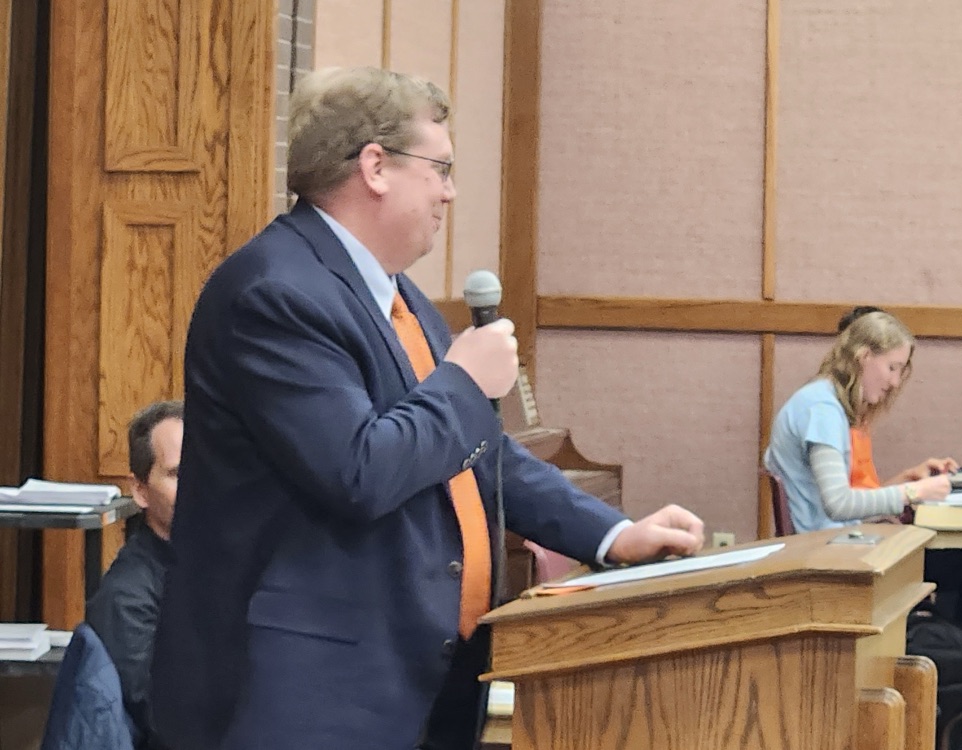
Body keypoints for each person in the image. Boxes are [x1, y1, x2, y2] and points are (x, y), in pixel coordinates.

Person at [150, 66, 705, 750]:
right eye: (439, 168)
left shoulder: (397, 295)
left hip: (420, 681)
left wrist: (612, 535)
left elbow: (479, 455)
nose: (450, 191)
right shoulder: (274, 294)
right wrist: (465, 382)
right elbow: (358, 471)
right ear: (375, 167)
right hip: (305, 696)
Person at [764, 308, 954, 533]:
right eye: (892, 368)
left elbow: (846, 506)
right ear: (864, 357)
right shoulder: (822, 410)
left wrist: (908, 483)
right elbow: (839, 504)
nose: (895, 382)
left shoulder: (823, 400)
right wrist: (914, 492)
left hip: (829, 539)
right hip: (822, 546)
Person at [86, 400, 182, 749]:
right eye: (177, 474)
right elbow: (166, 719)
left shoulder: (222, 566)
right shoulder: (126, 596)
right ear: (140, 490)